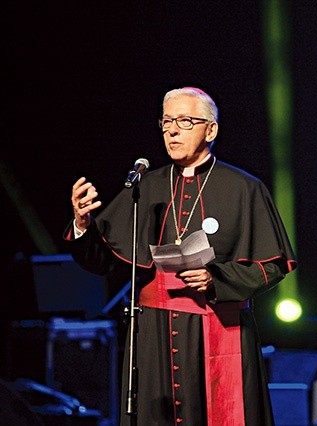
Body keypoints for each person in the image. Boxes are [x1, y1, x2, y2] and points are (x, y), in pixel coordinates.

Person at [64, 86, 297, 425]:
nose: (172, 130)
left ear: (211, 130)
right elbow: (103, 261)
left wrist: (216, 278)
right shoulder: (145, 186)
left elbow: (272, 265)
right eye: (167, 121)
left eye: (185, 121)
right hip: (153, 333)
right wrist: (82, 223)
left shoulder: (245, 188)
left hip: (217, 325)